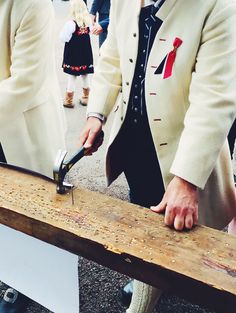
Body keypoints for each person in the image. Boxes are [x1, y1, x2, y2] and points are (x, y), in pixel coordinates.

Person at [79, 0, 236, 312]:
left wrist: (188, 179)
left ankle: (155, 290)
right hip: (135, 146)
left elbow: (214, 99)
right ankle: (151, 278)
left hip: (182, 150)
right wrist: (96, 113)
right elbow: (112, 57)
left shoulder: (219, 5)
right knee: (145, 217)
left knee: (188, 233)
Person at [0, 1, 78, 312]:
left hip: (25, 125)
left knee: (35, 211)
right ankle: (11, 269)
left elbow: (26, 81)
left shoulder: (32, 4)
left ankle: (29, 283)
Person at [60, 0, 94, 108]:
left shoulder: (71, 24)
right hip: (85, 54)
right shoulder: (87, 23)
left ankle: (69, 100)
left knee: (72, 76)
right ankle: (86, 97)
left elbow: (63, 37)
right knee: (85, 75)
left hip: (73, 55)